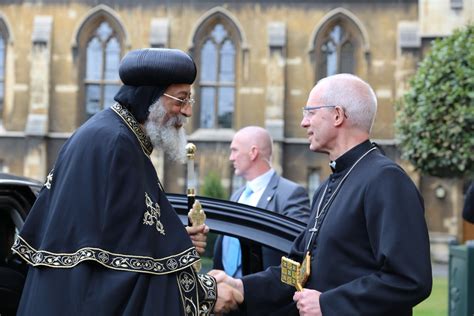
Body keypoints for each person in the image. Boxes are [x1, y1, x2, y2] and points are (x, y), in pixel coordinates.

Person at [11, 48, 242, 315]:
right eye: (180, 100)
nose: (188, 111)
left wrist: (176, 240)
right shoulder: (117, 144)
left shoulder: (111, 134)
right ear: (150, 96)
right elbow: (122, 274)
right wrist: (206, 294)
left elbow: (122, 240)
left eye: (190, 99)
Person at [210, 73, 432, 316]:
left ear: (337, 115)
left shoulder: (386, 180)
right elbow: (297, 268)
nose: (304, 122)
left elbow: (410, 279)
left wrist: (329, 304)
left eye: (310, 112)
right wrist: (241, 287)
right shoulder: (328, 186)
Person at [213, 126, 310, 278]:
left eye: (235, 150)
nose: (231, 157)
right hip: (226, 293)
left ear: (253, 152)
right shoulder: (237, 196)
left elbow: (298, 252)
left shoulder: (290, 194)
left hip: (263, 296)